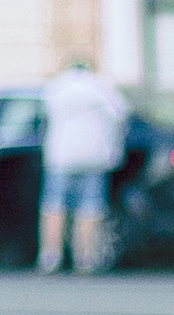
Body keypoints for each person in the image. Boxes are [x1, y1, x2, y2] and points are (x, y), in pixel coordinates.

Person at [38, 55, 128, 273]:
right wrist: (113, 150)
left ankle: (51, 256)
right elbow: (121, 115)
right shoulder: (103, 88)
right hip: (94, 157)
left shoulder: (56, 88)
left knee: (54, 206)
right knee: (90, 209)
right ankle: (84, 258)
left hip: (60, 157)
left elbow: (44, 117)